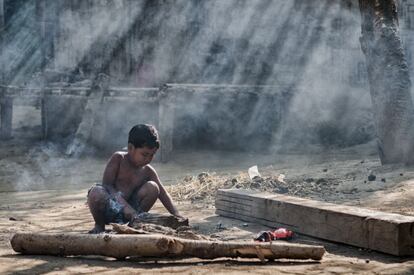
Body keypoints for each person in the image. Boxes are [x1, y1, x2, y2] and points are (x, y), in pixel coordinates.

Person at [87, 124, 184, 233]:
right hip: (110, 208)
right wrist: (125, 207)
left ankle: (134, 225)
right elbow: (107, 186)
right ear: (130, 148)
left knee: (153, 187)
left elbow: (164, 194)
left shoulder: (148, 171)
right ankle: (99, 226)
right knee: (96, 192)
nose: (148, 159)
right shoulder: (118, 159)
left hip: (133, 214)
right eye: (144, 154)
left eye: (152, 155)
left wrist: (178, 216)